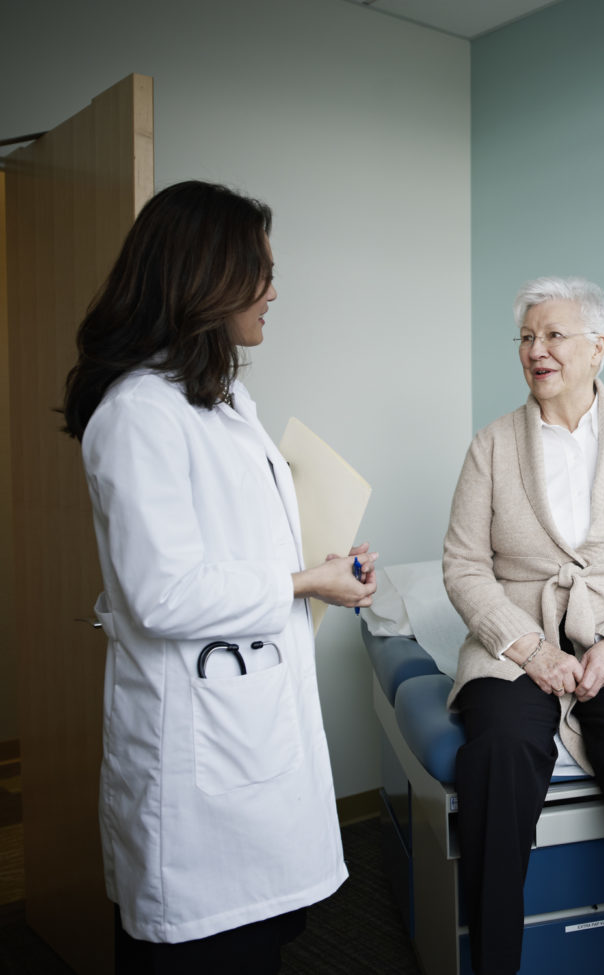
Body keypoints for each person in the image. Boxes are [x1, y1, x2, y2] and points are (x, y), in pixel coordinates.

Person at [61, 180, 378, 974]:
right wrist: (307, 582)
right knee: (204, 950)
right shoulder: (138, 413)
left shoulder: (222, 394)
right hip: (195, 748)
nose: (274, 290)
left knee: (256, 941)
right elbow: (164, 592)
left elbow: (239, 534)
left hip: (251, 713)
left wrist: (323, 566)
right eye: (260, 271)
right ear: (206, 279)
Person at [442, 276, 604, 975]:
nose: (536, 350)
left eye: (554, 335)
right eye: (527, 337)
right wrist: (529, 650)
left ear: (597, 348)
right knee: (496, 750)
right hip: (515, 643)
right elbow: (464, 566)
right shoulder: (491, 446)